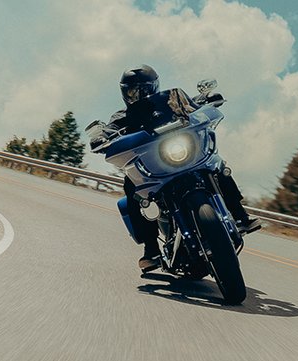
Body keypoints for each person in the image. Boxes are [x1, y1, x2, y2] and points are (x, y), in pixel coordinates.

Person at [101, 64, 260, 272]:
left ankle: (240, 216)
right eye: (132, 91)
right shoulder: (123, 117)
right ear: (125, 93)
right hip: (156, 168)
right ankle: (151, 250)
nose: (138, 95)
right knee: (133, 189)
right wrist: (102, 136)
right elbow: (110, 129)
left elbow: (193, 106)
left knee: (218, 167)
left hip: (184, 156)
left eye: (143, 89)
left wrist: (207, 100)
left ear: (154, 87)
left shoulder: (172, 102)